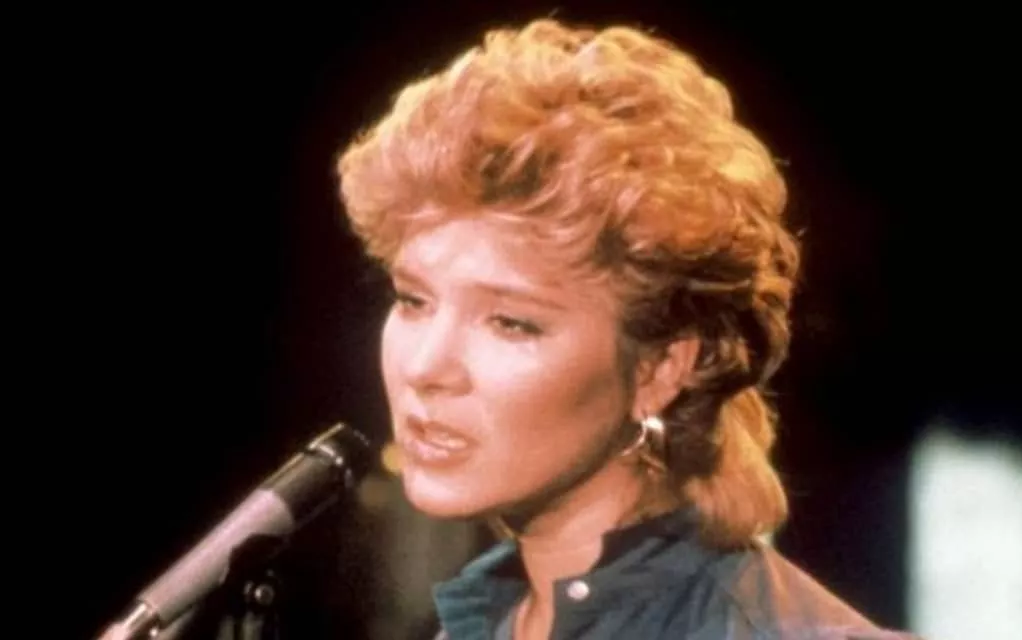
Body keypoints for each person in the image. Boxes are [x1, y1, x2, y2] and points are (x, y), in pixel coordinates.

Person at [335, 17, 920, 640]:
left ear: (660, 368)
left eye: (510, 323)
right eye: (413, 300)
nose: (426, 367)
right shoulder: (480, 624)